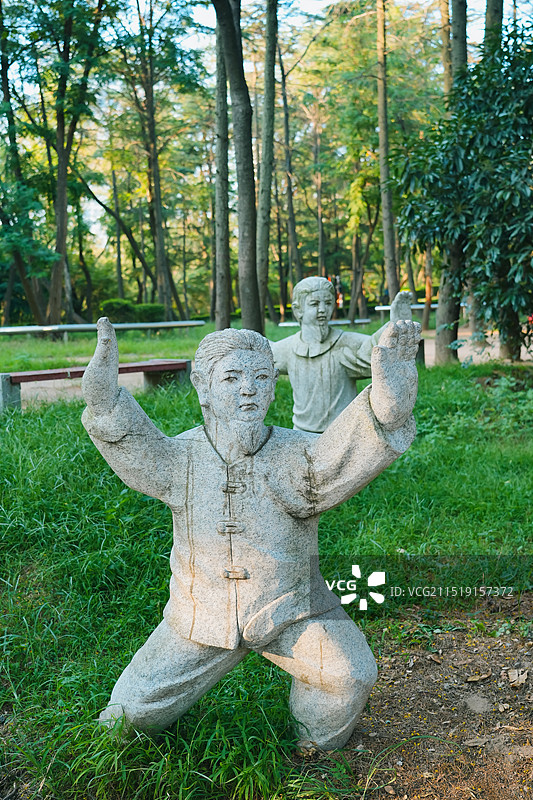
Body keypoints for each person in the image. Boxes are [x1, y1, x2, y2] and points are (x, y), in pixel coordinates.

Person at [81, 317, 420, 750]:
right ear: (202, 388)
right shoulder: (180, 458)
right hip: (199, 616)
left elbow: (344, 456)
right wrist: (104, 399)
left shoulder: (297, 454)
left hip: (290, 609)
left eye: (262, 377)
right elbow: (135, 447)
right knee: (125, 719)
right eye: (233, 377)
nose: (249, 388)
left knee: (350, 674)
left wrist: (388, 403)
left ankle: (312, 752)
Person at [271, 277, 413, 433]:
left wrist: (395, 325)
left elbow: (373, 351)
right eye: (314, 304)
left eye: (328, 303)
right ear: (298, 309)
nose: (323, 309)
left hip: (343, 435)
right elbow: (263, 355)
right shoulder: (289, 348)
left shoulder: (343, 343)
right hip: (301, 433)